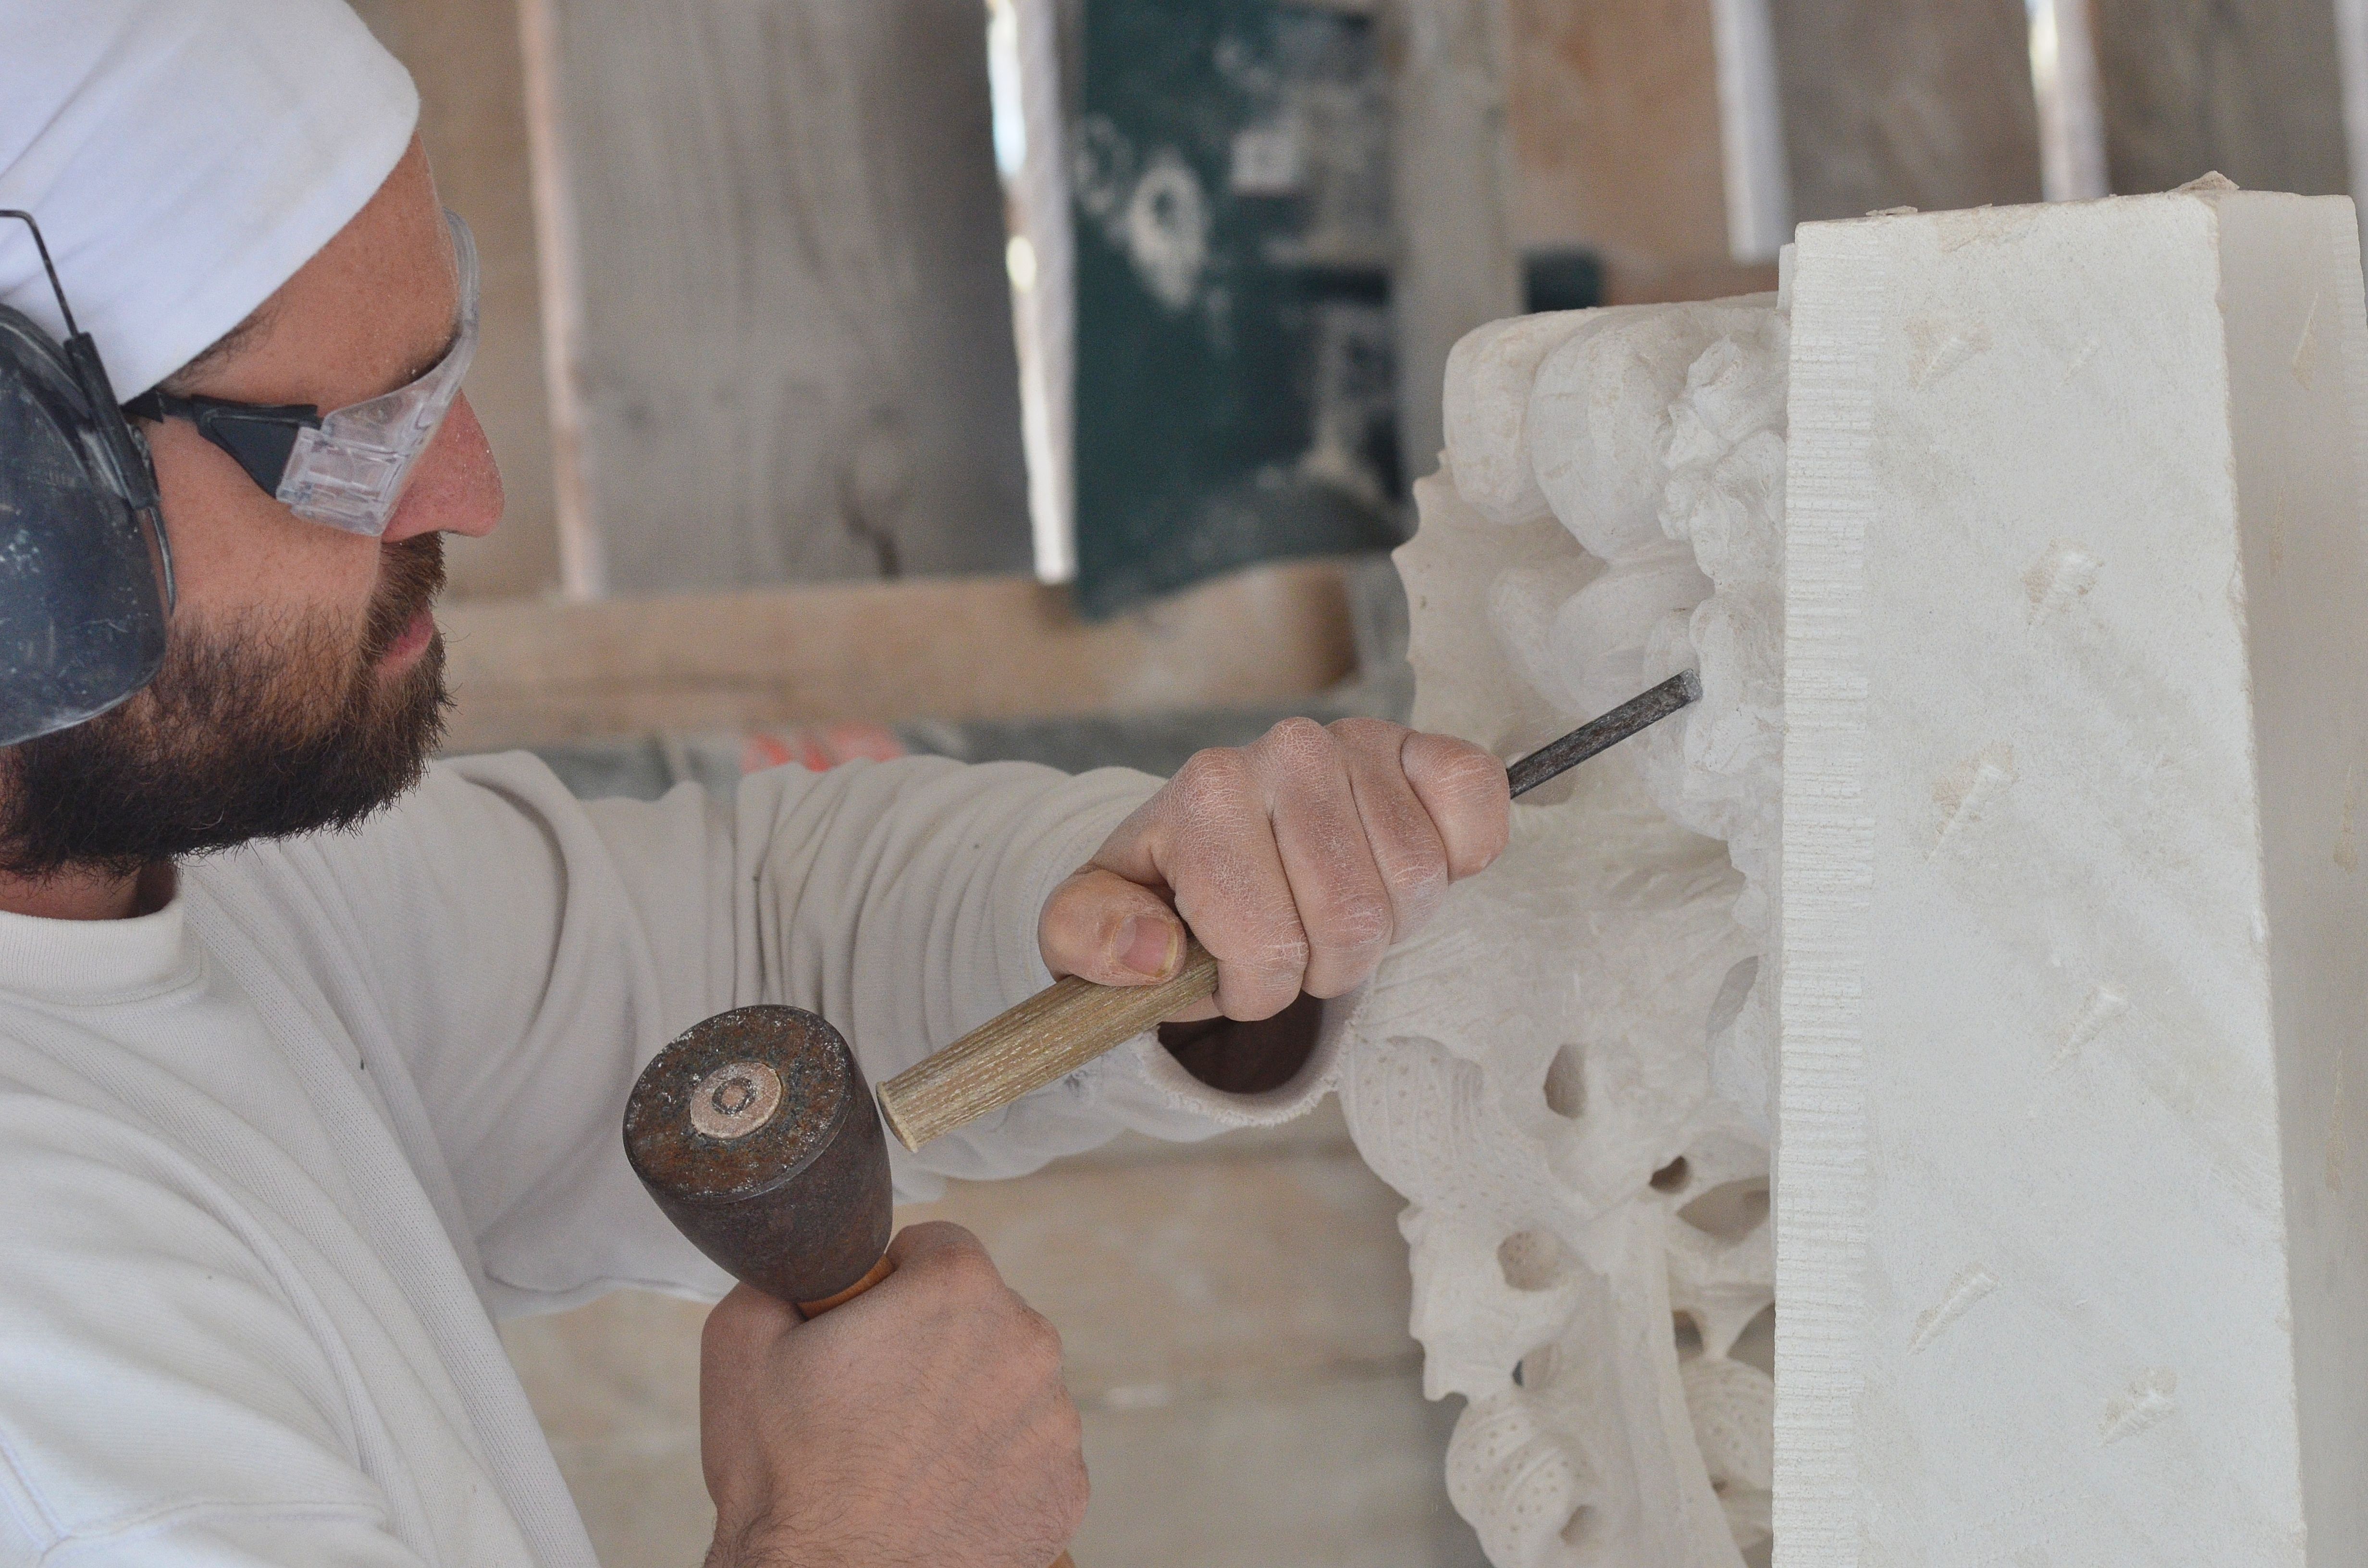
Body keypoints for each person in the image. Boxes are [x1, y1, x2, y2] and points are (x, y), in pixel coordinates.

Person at [0, 6, 1511, 1567]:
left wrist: (1172, 914)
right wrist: (866, 1535)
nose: (469, 491)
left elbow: (756, 931)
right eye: (349, 444)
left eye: (439, 373)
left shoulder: (200, 879)